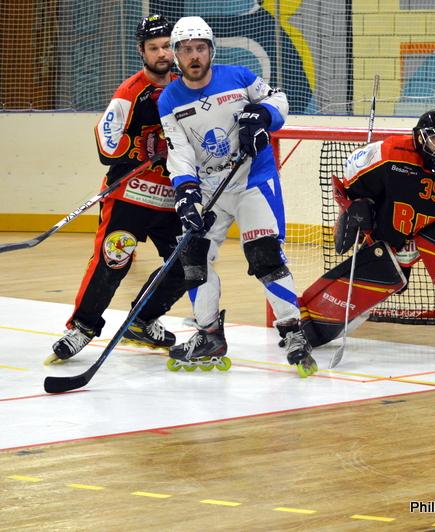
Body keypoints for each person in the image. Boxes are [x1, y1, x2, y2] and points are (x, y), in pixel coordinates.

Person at [157, 16, 318, 377]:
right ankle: (209, 333)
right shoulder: (169, 99)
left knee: (264, 256)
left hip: (252, 180)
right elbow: (179, 151)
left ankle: (293, 332)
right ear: (177, 56)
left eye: (200, 48)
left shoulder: (241, 77)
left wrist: (261, 115)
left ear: (211, 50)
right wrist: (185, 193)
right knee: (194, 258)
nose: (194, 56)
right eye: (186, 50)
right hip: (210, 186)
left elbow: (278, 99)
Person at [299, 105, 435, 363]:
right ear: (419, 137)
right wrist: (354, 208)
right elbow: (349, 178)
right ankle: (310, 322)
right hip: (391, 235)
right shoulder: (389, 152)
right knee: (375, 272)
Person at [46, 15, 187, 365]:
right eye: (154, 48)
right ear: (141, 51)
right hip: (132, 195)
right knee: (112, 261)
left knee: (189, 263)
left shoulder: (188, 86)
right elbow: (106, 145)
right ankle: (82, 327)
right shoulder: (130, 92)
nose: (162, 54)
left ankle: (143, 319)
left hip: (173, 198)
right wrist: (143, 150)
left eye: (167, 46)